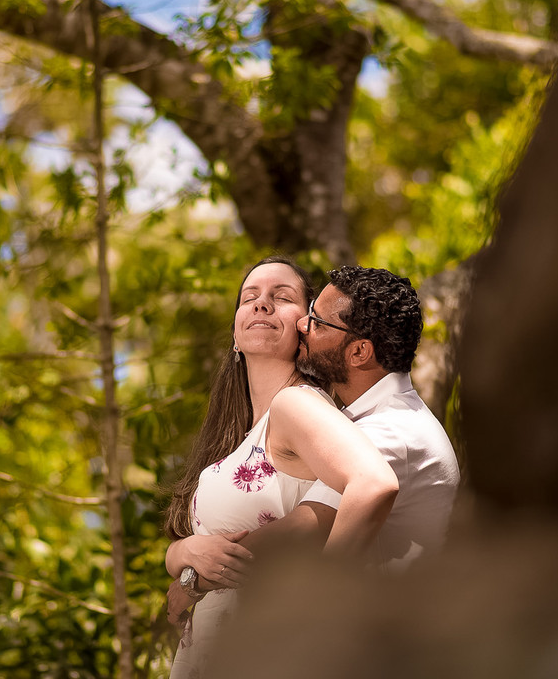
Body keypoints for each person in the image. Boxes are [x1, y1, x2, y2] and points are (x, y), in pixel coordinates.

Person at [163, 257, 399, 679]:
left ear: (305, 328)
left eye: (281, 297)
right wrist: (179, 554)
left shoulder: (296, 404)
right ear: (235, 336)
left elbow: (374, 482)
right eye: (249, 298)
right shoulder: (241, 433)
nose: (261, 305)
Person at [292, 265, 461, 570]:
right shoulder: (392, 416)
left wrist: (194, 565)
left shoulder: (388, 433)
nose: (301, 324)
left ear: (359, 352)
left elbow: (297, 534)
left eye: (317, 322)